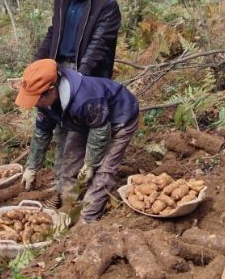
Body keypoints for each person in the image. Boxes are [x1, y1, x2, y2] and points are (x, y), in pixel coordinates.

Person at [32, 0, 121, 199]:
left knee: (81, 130)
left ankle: (81, 187)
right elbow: (53, 33)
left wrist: (81, 77)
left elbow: (99, 44)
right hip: (59, 68)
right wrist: (36, 65)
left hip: (87, 75)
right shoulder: (62, 0)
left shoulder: (105, 4)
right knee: (59, 126)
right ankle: (60, 185)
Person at [17, 59, 139, 223]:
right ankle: (70, 206)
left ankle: (87, 218)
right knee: (71, 161)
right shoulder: (46, 100)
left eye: (37, 99)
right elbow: (42, 130)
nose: (35, 105)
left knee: (104, 170)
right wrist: (32, 167)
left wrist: (90, 165)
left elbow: (100, 132)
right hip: (88, 121)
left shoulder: (84, 99)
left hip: (121, 117)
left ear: (51, 90)